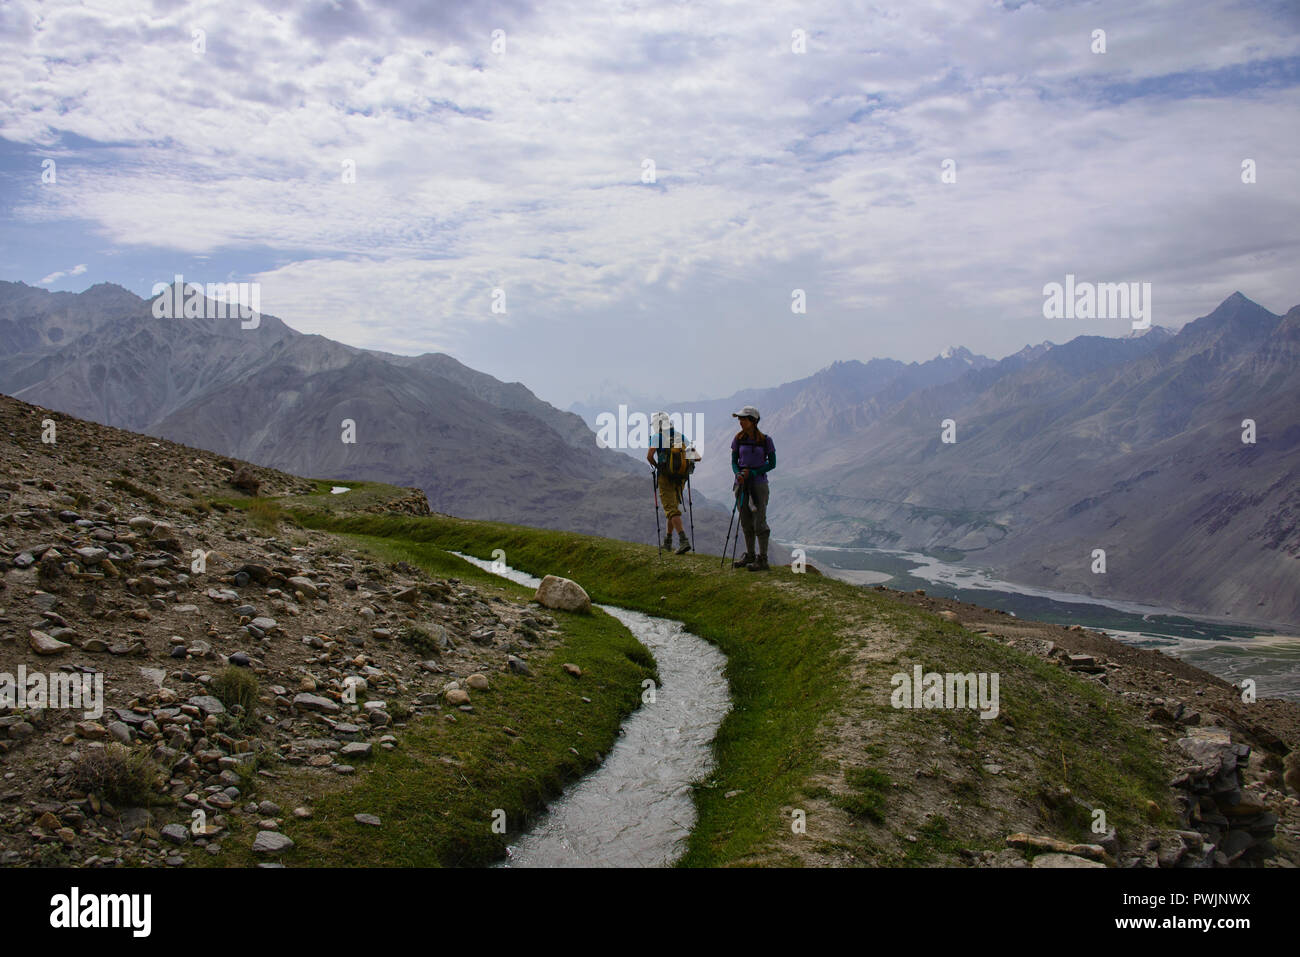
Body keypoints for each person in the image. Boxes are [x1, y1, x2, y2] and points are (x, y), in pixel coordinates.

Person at [731, 405, 776, 571]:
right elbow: (734, 461)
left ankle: (762, 559)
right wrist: (738, 474)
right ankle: (750, 555)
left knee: (759, 522)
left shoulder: (765, 440)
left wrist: (755, 472)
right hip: (741, 484)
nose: (740, 421)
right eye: (740, 419)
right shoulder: (738, 439)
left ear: (753, 421)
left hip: (758, 485)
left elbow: (772, 463)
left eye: (743, 419)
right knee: (745, 520)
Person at [646, 411, 698, 554]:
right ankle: (668, 542)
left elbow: (649, 456)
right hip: (681, 478)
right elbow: (695, 456)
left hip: (665, 477)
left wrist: (658, 467)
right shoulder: (680, 436)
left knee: (670, 508)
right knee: (673, 507)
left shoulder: (657, 437)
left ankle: (683, 540)